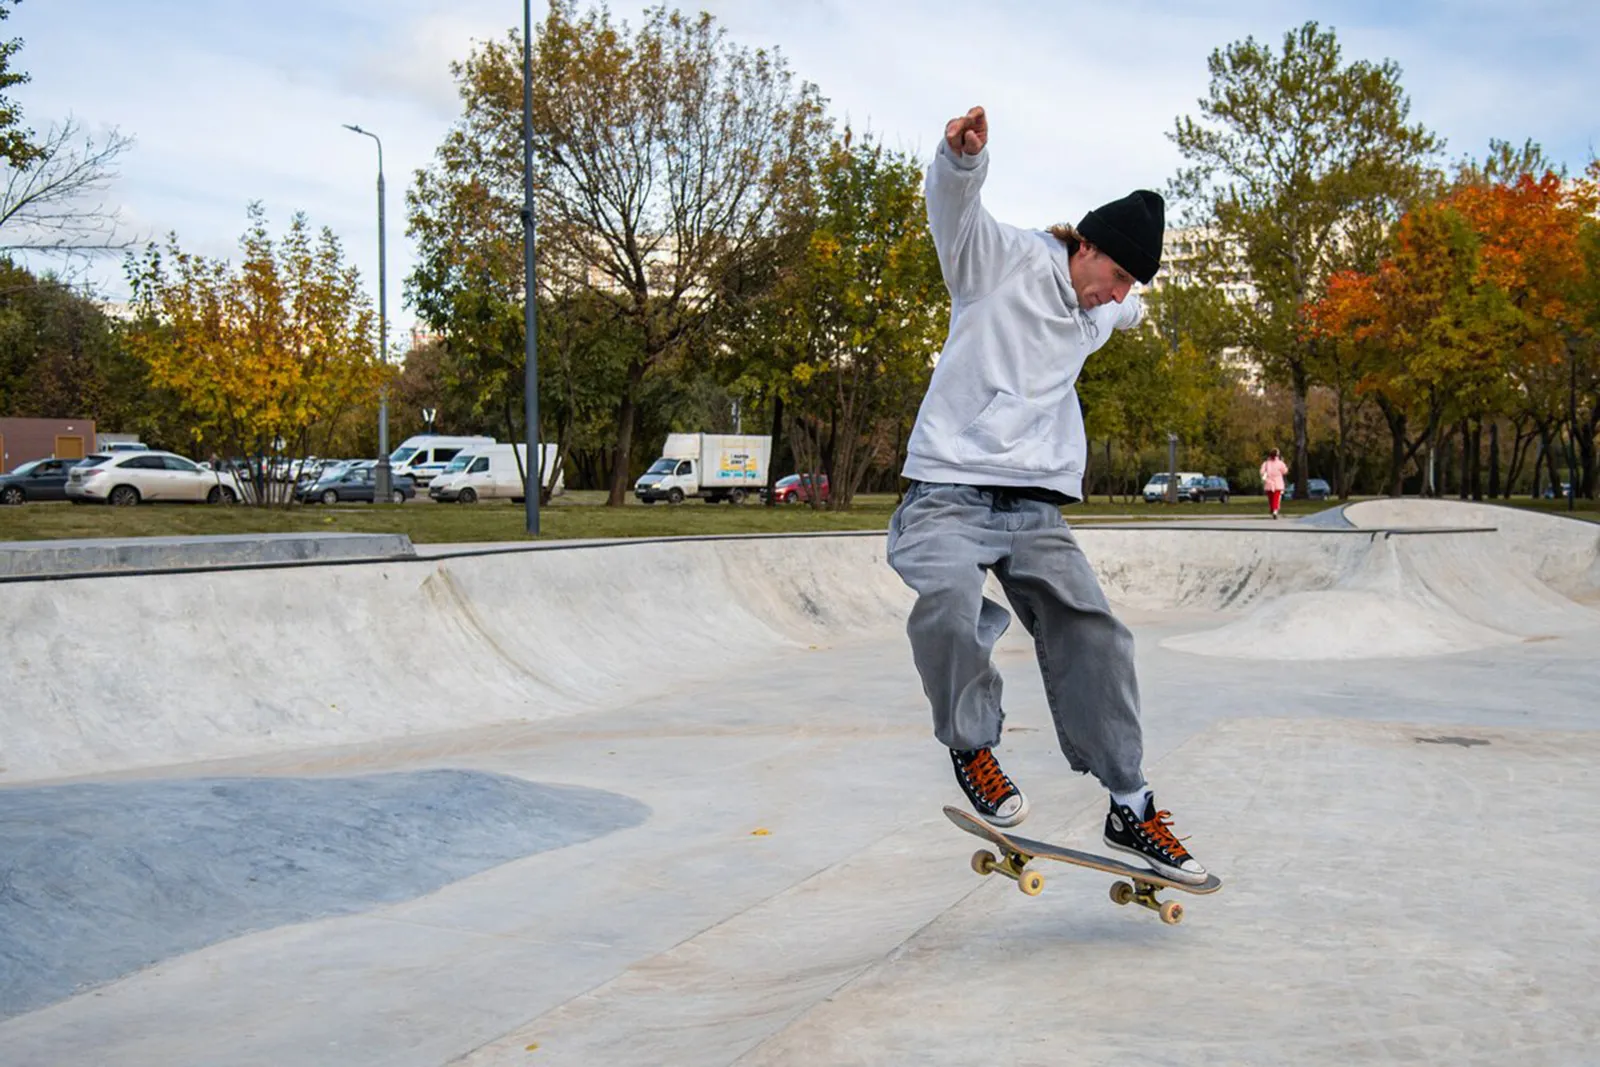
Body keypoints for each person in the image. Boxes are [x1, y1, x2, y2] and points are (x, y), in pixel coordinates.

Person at [886, 106, 1206, 885]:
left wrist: (1134, 300)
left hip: (1036, 509)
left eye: (1128, 285)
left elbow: (1127, 307)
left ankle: (1131, 801)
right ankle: (973, 746)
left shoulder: (1104, 309)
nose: (1115, 296)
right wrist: (961, 162)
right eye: (1116, 275)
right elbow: (955, 215)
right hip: (947, 493)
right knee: (949, 603)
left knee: (1096, 629)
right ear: (1084, 245)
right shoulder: (1000, 258)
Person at [1260, 448, 1288, 519]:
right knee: (1276, 497)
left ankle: (1272, 509)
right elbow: (1285, 471)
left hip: (1269, 482)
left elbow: (1262, 471)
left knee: (1271, 498)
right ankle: (1275, 510)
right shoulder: (1280, 463)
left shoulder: (1266, 463)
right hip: (1278, 483)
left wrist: (1265, 475)